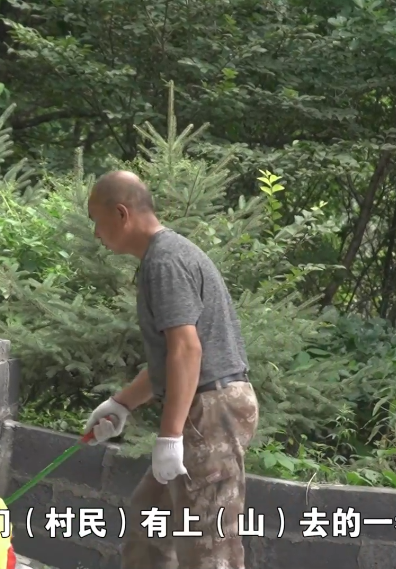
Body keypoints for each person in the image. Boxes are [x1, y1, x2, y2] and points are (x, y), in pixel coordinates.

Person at [82, 170, 259, 569]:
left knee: (207, 545)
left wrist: (170, 436)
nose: (96, 234)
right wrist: (121, 404)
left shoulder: (165, 261)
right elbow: (171, 359)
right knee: (151, 519)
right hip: (207, 403)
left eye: (97, 220)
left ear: (121, 213)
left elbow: (187, 351)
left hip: (211, 411)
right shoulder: (163, 257)